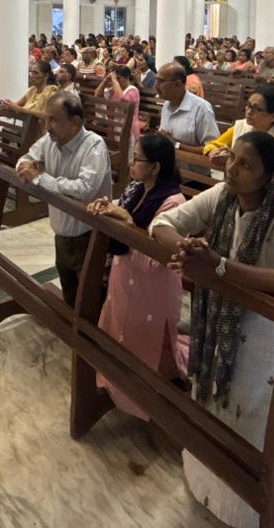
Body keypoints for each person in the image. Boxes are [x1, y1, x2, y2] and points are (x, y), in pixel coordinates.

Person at [150, 132, 274, 528]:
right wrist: (187, 251)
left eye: (245, 165)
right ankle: (205, 484)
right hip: (216, 331)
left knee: (251, 424)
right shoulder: (222, 197)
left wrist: (220, 268)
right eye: (232, 159)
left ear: (268, 177)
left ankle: (246, 508)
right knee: (210, 408)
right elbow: (163, 222)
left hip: (261, 338)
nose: (231, 169)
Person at [86, 134, 188, 419]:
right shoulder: (136, 188)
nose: (131, 163)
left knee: (145, 340)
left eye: (137, 159)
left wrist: (126, 220)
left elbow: (157, 258)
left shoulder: (174, 202)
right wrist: (106, 207)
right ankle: (113, 379)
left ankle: (138, 392)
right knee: (119, 325)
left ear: (155, 167)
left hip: (153, 285)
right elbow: (122, 210)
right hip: (124, 273)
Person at [15, 92, 112, 306]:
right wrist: (25, 167)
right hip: (62, 234)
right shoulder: (49, 140)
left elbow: (84, 189)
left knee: (91, 298)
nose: (47, 126)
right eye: (46, 119)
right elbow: (25, 159)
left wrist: (40, 178)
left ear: (75, 122)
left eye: (53, 120)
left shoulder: (93, 146)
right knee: (69, 290)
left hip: (90, 236)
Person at [204, 87, 274, 198]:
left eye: (257, 109)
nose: (249, 112)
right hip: (239, 189)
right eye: (248, 106)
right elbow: (211, 144)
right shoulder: (241, 126)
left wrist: (232, 158)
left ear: (273, 116)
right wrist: (215, 152)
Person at [152, 62, 217, 149]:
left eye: (161, 81)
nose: (155, 86)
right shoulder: (167, 105)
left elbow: (212, 148)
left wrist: (176, 145)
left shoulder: (202, 109)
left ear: (177, 84)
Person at [97, 64, 141, 145]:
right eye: (115, 78)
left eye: (119, 78)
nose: (117, 80)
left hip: (128, 128)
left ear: (127, 77)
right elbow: (97, 95)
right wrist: (105, 80)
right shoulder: (114, 89)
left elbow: (121, 100)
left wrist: (114, 81)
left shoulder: (133, 90)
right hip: (114, 126)